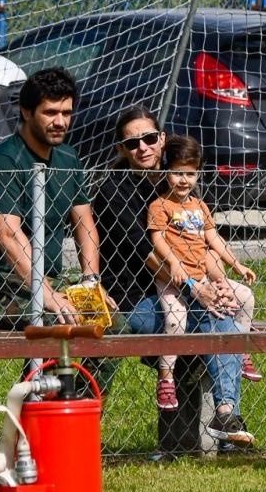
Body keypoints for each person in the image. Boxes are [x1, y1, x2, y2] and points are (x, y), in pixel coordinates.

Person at [92, 106, 253, 446]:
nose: (143, 148)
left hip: (184, 291)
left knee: (224, 305)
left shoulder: (178, 181)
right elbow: (147, 254)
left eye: (149, 138)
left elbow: (202, 243)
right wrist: (197, 288)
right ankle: (225, 420)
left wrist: (218, 282)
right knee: (215, 316)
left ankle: (223, 417)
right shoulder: (114, 190)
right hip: (136, 301)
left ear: (162, 140)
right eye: (132, 142)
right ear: (121, 149)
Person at [0, 67, 104, 332]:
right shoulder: (4, 160)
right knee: (61, 323)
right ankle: (43, 376)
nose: (60, 122)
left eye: (66, 113)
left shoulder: (68, 158)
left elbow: (85, 223)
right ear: (27, 112)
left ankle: (63, 376)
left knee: (112, 324)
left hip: (50, 281)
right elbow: (8, 234)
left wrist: (90, 283)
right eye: (50, 112)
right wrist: (46, 296)